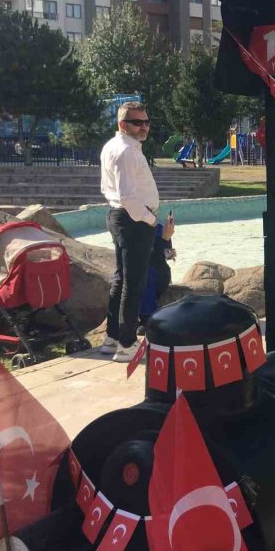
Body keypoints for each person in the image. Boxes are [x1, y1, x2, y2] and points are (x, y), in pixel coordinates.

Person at [100, 102, 159, 362]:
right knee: (133, 283)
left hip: (119, 217)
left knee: (121, 279)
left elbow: (110, 190)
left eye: (146, 121)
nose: (144, 126)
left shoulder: (114, 146)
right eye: (138, 122)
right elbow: (127, 196)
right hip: (133, 220)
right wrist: (148, 219)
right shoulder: (127, 151)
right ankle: (126, 344)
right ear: (123, 124)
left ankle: (112, 337)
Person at [138, 213, 176, 325]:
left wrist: (166, 240)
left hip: (156, 274)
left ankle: (147, 317)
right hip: (138, 272)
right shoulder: (131, 230)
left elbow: (167, 256)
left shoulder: (159, 229)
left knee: (148, 273)